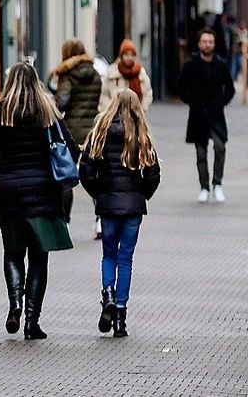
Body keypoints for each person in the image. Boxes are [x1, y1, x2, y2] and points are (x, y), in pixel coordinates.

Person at [0, 63, 76, 341]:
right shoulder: (48, 112)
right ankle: (32, 322)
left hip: (9, 191)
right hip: (44, 191)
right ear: (36, 83)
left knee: (12, 252)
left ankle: (15, 304)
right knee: (38, 257)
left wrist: (3, 173)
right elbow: (70, 147)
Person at [80, 90, 161, 338]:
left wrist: (98, 193)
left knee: (109, 255)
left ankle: (108, 294)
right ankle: (121, 317)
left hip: (108, 204)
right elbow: (153, 175)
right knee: (126, 259)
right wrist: (141, 195)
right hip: (133, 207)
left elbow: (85, 170)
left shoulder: (100, 133)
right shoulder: (141, 135)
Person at [177, 28, 236, 204]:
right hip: (198, 115)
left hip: (216, 114)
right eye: (204, 41)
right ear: (199, 44)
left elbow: (230, 89)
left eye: (210, 41)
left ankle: (217, 184)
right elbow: (180, 87)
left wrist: (221, 102)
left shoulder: (221, 64)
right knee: (200, 153)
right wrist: (192, 102)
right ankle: (204, 187)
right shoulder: (190, 65)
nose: (207, 44)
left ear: (214, 44)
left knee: (220, 147)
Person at [52, 38, 101, 231]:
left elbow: (62, 102)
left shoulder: (68, 75)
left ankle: (66, 222)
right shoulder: (95, 74)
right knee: (95, 175)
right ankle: (99, 222)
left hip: (71, 131)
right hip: (93, 130)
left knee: (67, 176)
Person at [99, 39, 153, 113]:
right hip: (114, 115)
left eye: (132, 55)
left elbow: (147, 93)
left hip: (135, 115)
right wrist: (111, 110)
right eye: (126, 54)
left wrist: (142, 110)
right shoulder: (111, 72)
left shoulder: (140, 73)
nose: (130, 58)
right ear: (121, 55)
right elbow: (104, 95)